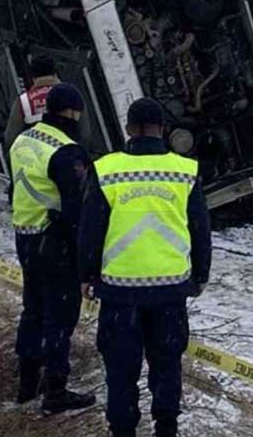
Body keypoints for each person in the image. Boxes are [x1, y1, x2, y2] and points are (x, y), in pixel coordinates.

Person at [78, 97, 213, 437]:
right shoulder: (185, 171)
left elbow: (90, 229)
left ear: (128, 129)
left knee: (120, 367)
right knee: (166, 363)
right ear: (164, 130)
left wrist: (87, 275)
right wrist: (200, 275)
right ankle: (166, 426)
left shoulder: (106, 169)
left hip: (119, 292)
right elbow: (200, 229)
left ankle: (122, 428)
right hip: (169, 291)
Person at [8, 83, 96, 414]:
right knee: (61, 314)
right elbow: (77, 209)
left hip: (25, 235)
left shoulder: (24, 140)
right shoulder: (67, 152)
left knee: (33, 309)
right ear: (72, 112)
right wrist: (86, 256)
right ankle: (56, 389)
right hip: (54, 240)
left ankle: (27, 383)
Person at [4, 55, 61, 159]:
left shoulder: (23, 101)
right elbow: (85, 135)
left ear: (32, 77)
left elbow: (10, 139)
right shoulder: (71, 95)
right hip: (71, 159)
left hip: (38, 162)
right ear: (55, 74)